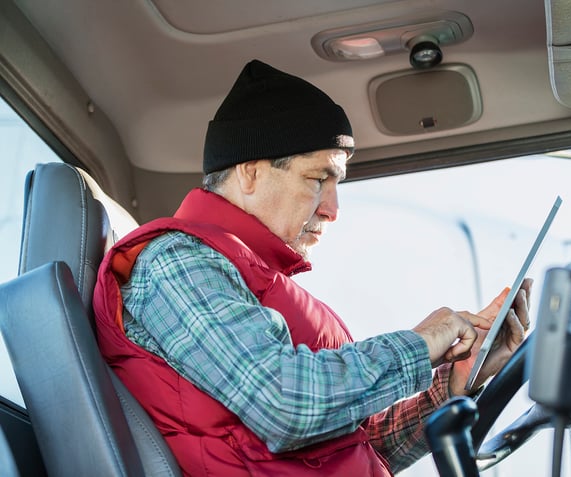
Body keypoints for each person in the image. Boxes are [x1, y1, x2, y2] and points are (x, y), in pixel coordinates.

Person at [93, 59, 532, 476]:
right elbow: (284, 406)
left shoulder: (247, 279)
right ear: (249, 173)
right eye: (317, 179)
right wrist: (420, 344)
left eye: (337, 184)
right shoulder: (176, 265)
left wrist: (454, 384)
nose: (333, 208)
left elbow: (358, 448)